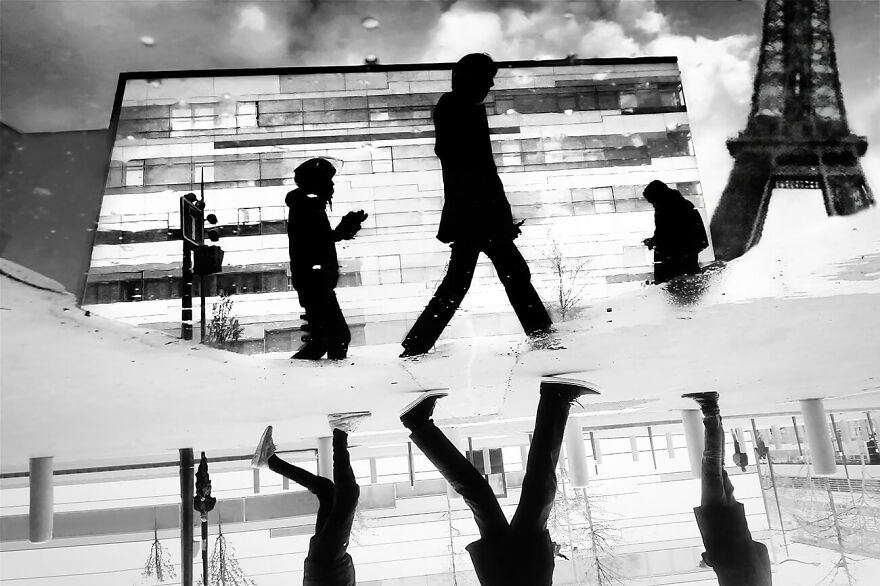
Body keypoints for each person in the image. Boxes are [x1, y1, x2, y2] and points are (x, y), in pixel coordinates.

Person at [399, 53, 551, 357]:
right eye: (487, 78)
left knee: (467, 282)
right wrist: (496, 215)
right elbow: (479, 170)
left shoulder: (457, 108)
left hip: (474, 213)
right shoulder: (459, 109)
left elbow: (474, 168)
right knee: (509, 277)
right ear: (472, 78)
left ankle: (417, 343)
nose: (492, 84)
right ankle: (542, 334)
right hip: (478, 213)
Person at [399, 377, 600, 585]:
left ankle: (556, 397)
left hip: (521, 574)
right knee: (481, 493)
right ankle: (419, 423)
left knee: (540, 488)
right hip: (502, 572)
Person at [251, 411, 371, 586]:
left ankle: (340, 430)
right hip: (322, 567)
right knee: (327, 492)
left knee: (348, 496)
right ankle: (270, 460)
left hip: (328, 568)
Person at [682, 391, 772, 586]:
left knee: (716, 465)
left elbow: (762, 550)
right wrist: (708, 560)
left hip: (735, 519)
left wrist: (744, 544)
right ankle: (710, 407)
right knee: (711, 463)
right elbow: (720, 558)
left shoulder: (765, 583)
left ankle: (714, 413)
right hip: (717, 521)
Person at [286, 158, 367, 360]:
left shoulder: (308, 205)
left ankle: (317, 379)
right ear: (316, 183)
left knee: (328, 337)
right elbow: (315, 242)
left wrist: (343, 230)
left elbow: (317, 240)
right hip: (315, 281)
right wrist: (343, 229)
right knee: (336, 337)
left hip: (314, 280)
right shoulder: (307, 206)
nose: (332, 185)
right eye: (327, 180)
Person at [642, 180, 709, 284]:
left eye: (653, 201)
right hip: (685, 256)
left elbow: (667, 234)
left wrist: (655, 242)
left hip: (675, 258)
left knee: (676, 286)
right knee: (686, 286)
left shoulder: (665, 209)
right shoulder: (682, 204)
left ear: (657, 197)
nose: (653, 205)